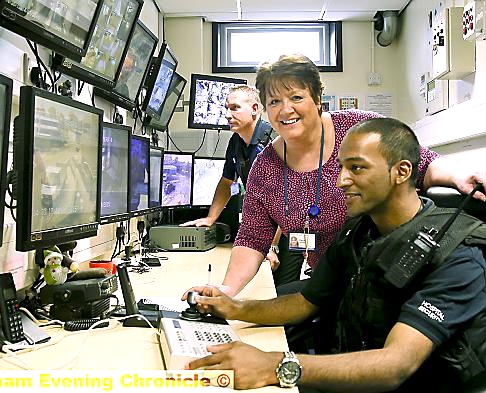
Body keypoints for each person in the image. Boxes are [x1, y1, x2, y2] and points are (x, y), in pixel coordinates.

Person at [185, 118, 486, 392]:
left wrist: (274, 365)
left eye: (356, 168)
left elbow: (396, 364)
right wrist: (231, 307)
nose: (341, 180)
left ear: (402, 172)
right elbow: (306, 302)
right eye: (341, 167)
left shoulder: (457, 255)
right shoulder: (359, 230)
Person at [217, 53, 486, 295]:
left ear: (318, 99)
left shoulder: (356, 128)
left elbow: (422, 164)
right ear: (265, 108)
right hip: (329, 282)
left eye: (296, 97)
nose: (285, 109)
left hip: (389, 277)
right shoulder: (265, 168)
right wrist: (226, 291)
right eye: (274, 101)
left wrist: (458, 176)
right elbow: (253, 237)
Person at [180, 85, 274, 227]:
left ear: (254, 109)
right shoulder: (236, 141)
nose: (227, 115)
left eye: (235, 107)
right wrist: (210, 218)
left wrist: (272, 245)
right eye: (227, 108)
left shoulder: (275, 142)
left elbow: (287, 199)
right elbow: (226, 182)